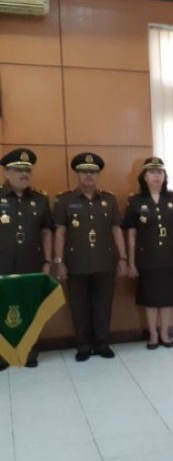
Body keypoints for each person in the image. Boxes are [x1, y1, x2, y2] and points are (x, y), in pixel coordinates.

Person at [53, 153, 127, 362]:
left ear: (98, 175)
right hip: (75, 264)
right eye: (84, 171)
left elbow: (116, 230)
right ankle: (83, 345)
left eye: (93, 172)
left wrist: (123, 258)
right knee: (79, 306)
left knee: (104, 305)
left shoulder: (109, 200)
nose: (88, 175)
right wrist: (59, 262)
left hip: (105, 262)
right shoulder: (64, 199)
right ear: (77, 173)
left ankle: (102, 343)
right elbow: (60, 232)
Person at [123, 157, 173, 348]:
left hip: (170, 256)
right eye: (152, 172)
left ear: (164, 176)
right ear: (144, 176)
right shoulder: (135, 200)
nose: (156, 175)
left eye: (159, 172)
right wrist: (132, 262)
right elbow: (132, 234)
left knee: (168, 297)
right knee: (150, 299)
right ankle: (153, 334)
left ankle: (165, 333)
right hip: (147, 257)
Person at [0, 148, 54, 369]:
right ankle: (4, 355)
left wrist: (49, 261)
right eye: (18, 169)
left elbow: (47, 232)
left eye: (27, 169)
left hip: (32, 261)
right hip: (2, 263)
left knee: (31, 308)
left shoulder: (40, 199)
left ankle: (30, 352)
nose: (24, 173)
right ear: (6, 173)